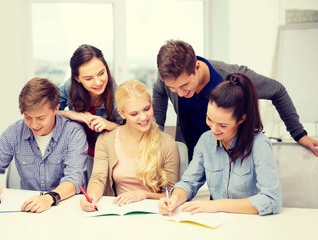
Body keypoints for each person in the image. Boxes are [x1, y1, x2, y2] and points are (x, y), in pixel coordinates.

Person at [153, 40, 318, 161]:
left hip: (234, 160)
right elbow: (159, 91)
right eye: (173, 88)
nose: (180, 93)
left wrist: (299, 134)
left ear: (196, 67)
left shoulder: (233, 76)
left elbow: (277, 91)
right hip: (194, 157)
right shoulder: (169, 79)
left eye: (185, 85)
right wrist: (157, 133)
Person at [159, 73, 282, 216]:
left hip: (250, 224)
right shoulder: (206, 141)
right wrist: (174, 199)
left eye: (223, 125)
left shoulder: (259, 145)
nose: (214, 129)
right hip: (217, 224)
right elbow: (189, 183)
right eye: (209, 119)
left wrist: (217, 205)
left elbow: (272, 200)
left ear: (242, 118)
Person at [0, 77, 88, 213]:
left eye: (41, 118)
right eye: (28, 117)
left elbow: (75, 178)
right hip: (29, 210)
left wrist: (48, 198)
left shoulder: (73, 132)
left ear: (56, 109)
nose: (34, 125)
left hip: (65, 208)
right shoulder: (14, 132)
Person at [80, 80, 180, 211]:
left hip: (155, 214)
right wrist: (91, 196)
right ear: (122, 113)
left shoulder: (167, 143)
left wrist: (143, 195)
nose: (143, 117)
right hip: (120, 212)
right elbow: (98, 179)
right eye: (134, 114)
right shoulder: (106, 140)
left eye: (147, 108)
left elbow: (172, 194)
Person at [59, 44, 123, 178]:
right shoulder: (69, 87)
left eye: (101, 73)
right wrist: (74, 114)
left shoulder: (118, 95)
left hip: (109, 155)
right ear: (77, 78)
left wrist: (110, 125)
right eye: (88, 78)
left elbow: (132, 133)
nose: (98, 82)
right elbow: (47, 112)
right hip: (78, 153)